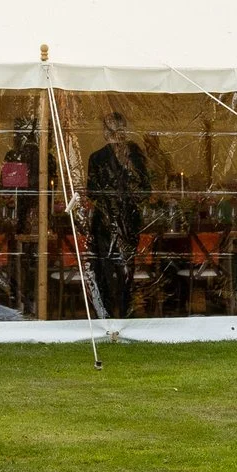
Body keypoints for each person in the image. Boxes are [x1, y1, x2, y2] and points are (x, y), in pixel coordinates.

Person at [86, 112, 152, 318]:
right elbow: (144, 190)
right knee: (116, 268)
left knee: (115, 269)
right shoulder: (122, 156)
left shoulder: (124, 155)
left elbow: (92, 192)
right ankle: (115, 313)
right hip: (116, 221)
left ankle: (114, 312)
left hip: (116, 220)